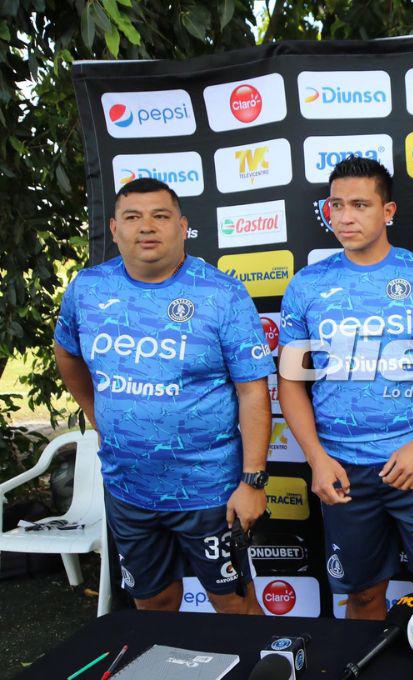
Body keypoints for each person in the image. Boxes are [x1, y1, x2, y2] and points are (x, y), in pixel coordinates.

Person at [53, 177, 273, 614]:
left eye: (160, 216)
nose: (146, 227)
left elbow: (252, 391)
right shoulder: (87, 289)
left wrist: (252, 482)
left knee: (234, 606)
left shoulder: (221, 293)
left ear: (183, 226)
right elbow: (67, 354)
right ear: (114, 229)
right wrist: (98, 416)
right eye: (133, 217)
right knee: (153, 604)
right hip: (128, 488)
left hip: (210, 493)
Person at [277, 157, 413, 620]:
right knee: (363, 595)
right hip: (343, 468)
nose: (345, 217)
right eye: (337, 205)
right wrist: (318, 459)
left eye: (360, 205)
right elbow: (289, 384)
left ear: (387, 212)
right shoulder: (307, 285)